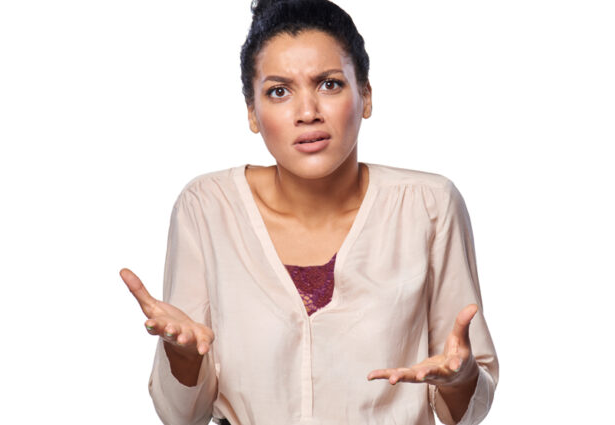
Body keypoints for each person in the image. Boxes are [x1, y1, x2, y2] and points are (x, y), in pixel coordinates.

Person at [119, 0, 498, 423]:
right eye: (279, 91)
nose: (307, 113)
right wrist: (183, 356)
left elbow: (467, 409)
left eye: (329, 84)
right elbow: (180, 416)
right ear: (252, 113)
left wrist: (461, 378)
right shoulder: (207, 208)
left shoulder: (428, 206)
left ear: (366, 95)